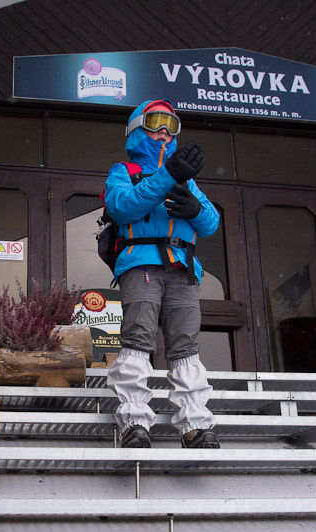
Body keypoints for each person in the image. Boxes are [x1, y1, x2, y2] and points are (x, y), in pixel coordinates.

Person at [104, 99, 221, 449]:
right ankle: (134, 420)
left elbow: (211, 223)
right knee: (139, 338)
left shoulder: (187, 180)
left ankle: (195, 422)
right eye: (156, 123)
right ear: (137, 128)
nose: (164, 133)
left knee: (186, 345)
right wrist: (168, 174)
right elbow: (121, 207)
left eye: (171, 126)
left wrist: (196, 208)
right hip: (141, 264)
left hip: (182, 267)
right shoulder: (124, 171)